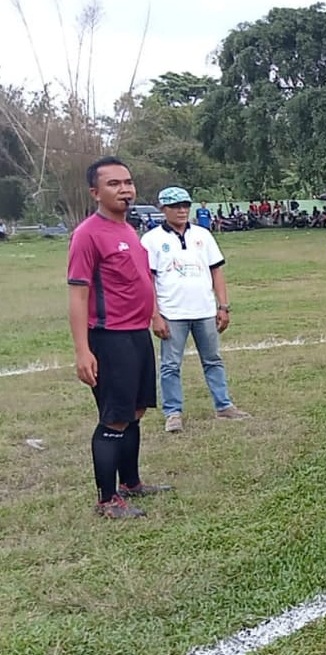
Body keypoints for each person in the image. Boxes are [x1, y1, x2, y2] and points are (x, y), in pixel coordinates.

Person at [67, 156, 172, 519]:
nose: (124, 189)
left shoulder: (130, 231)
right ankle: (107, 500)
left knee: (136, 410)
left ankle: (130, 483)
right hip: (109, 339)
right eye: (114, 184)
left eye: (127, 182)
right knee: (114, 417)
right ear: (95, 192)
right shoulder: (87, 235)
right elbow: (78, 295)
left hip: (137, 335)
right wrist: (83, 350)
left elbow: (141, 282)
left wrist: (155, 315)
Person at [140, 186, 250, 433]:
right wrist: (155, 315)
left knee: (213, 360)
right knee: (170, 365)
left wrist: (223, 306)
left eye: (185, 205)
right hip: (172, 313)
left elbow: (216, 271)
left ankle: (223, 405)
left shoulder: (203, 235)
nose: (181, 210)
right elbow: (148, 281)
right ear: (163, 209)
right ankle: (173, 413)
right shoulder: (151, 240)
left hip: (205, 311)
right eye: (175, 206)